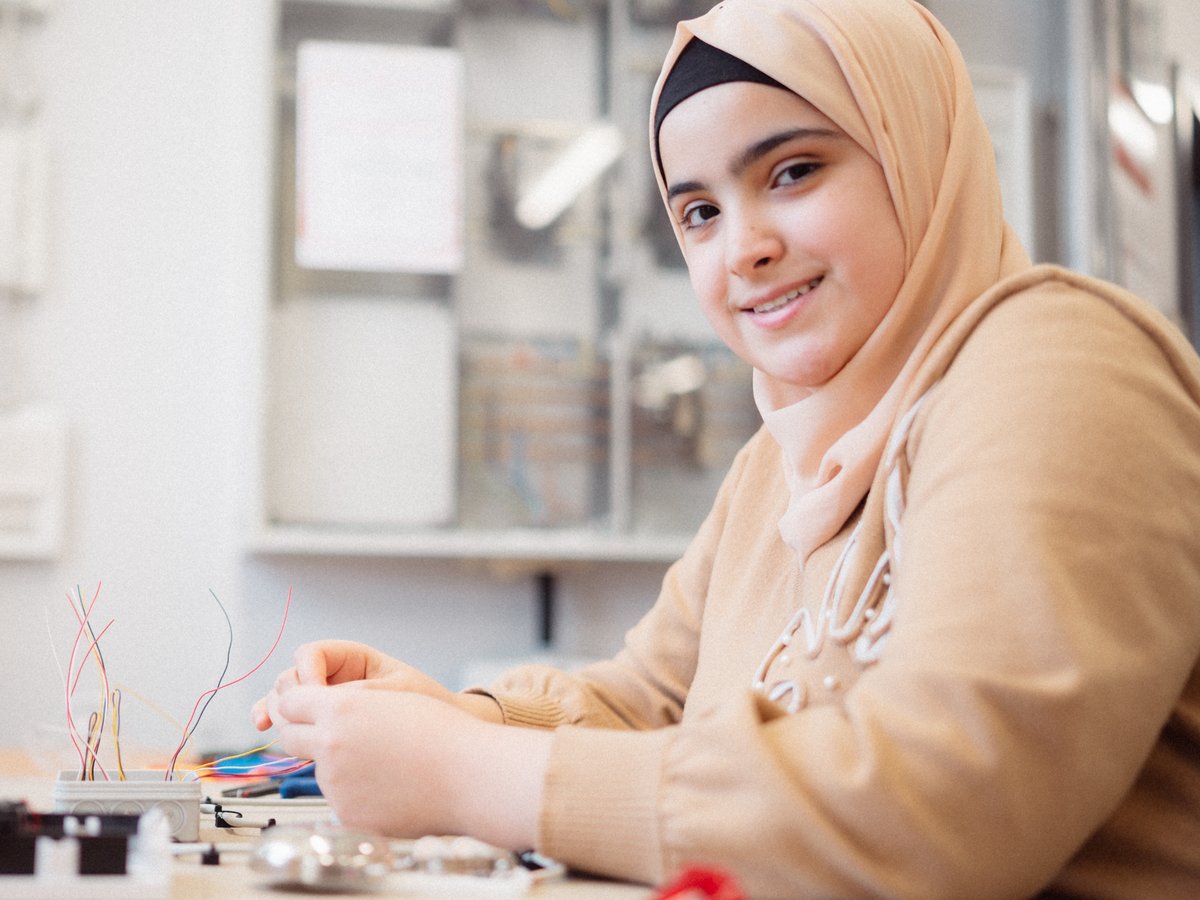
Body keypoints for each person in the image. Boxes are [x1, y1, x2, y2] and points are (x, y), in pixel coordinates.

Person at [253, 0, 1200, 895]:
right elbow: (649, 700)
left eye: (793, 171)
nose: (741, 247)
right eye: (699, 212)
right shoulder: (779, 464)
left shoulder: (1063, 364)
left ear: (920, 154)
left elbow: (954, 803)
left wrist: (471, 775)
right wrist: (453, 719)